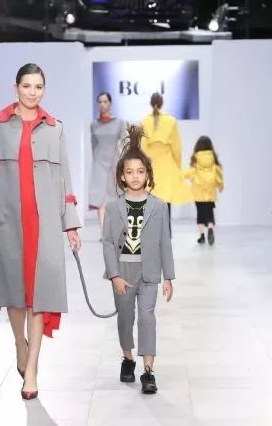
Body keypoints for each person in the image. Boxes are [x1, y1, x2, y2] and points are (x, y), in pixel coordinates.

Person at [0, 63, 81, 400]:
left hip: (43, 221)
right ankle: (20, 342)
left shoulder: (55, 128)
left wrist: (71, 223)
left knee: (39, 295)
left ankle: (31, 369)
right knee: (14, 291)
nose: (33, 92)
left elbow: (65, 178)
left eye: (38, 87)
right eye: (27, 86)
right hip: (6, 219)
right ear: (15, 87)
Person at [102, 124, 174, 395]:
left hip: (149, 272)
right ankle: (128, 358)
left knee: (147, 318)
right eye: (130, 172)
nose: (135, 176)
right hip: (122, 271)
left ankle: (148, 371)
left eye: (140, 171)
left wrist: (169, 277)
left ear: (148, 174)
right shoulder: (113, 207)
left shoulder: (159, 206)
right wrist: (114, 275)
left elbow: (165, 241)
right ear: (122, 176)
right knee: (125, 318)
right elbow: (108, 243)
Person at [140, 93, 192, 233]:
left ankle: (153, 232)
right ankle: (166, 233)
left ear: (151, 104)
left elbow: (142, 146)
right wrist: (178, 165)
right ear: (162, 104)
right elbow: (176, 147)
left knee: (151, 199)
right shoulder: (171, 121)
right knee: (166, 199)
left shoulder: (145, 121)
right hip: (167, 163)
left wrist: (143, 165)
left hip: (151, 163)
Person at [88, 92, 126, 232]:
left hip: (114, 163)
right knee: (101, 199)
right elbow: (94, 146)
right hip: (99, 164)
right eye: (100, 102)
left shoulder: (119, 123)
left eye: (105, 101)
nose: (102, 104)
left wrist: (124, 163)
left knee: (115, 198)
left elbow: (125, 143)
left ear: (110, 103)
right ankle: (104, 233)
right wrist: (96, 162)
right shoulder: (94, 125)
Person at [184, 136, 224, 245]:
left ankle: (202, 236)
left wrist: (182, 175)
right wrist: (220, 186)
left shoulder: (195, 158)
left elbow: (190, 172)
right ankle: (210, 228)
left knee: (200, 214)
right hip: (210, 193)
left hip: (198, 193)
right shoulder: (213, 158)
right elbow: (218, 173)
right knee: (209, 213)